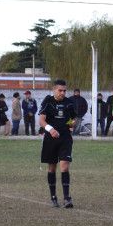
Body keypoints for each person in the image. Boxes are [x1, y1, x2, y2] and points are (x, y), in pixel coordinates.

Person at [39, 79, 77, 208]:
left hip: (65, 138)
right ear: (54, 90)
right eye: (60, 90)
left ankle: (67, 198)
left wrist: (71, 124)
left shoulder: (69, 103)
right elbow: (41, 120)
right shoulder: (48, 101)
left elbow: (73, 119)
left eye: (64, 91)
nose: (62, 93)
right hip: (50, 139)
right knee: (52, 168)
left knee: (64, 166)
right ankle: (53, 197)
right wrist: (51, 129)